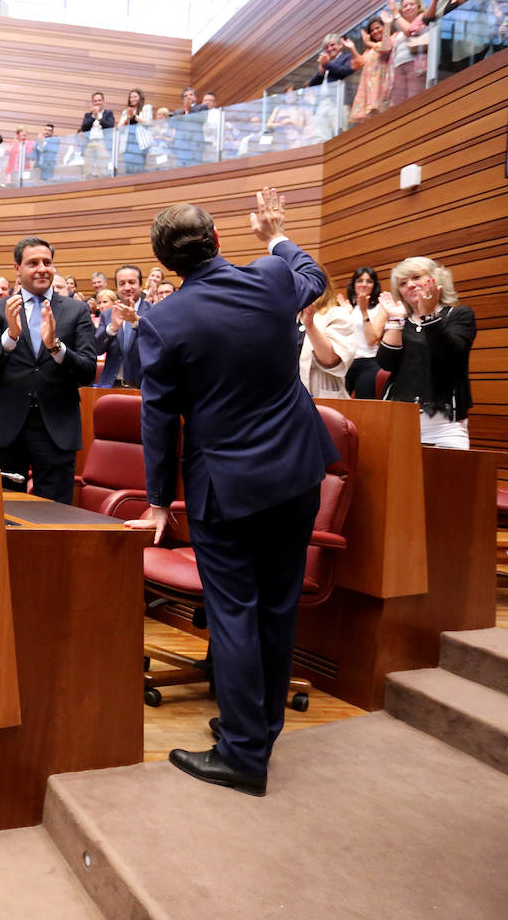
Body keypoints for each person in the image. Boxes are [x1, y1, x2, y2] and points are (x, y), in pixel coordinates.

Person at [125, 188, 338, 798]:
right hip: (298, 476)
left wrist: (159, 499)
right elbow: (311, 272)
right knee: (275, 608)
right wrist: (274, 233)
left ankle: (244, 754)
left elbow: (158, 419)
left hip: (228, 489)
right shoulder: (272, 279)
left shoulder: (163, 321)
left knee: (235, 615)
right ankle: (259, 728)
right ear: (218, 241)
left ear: (167, 266)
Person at [0, 237, 97, 503]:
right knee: (4, 513)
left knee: (54, 517)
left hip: (57, 426)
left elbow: (88, 370)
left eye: (47, 262)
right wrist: (10, 336)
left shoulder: (76, 311)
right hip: (7, 426)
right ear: (17, 268)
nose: (42, 268)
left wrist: (56, 348)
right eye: (33, 263)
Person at [377, 256, 476, 448]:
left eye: (416, 277)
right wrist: (396, 320)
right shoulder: (400, 322)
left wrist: (429, 316)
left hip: (446, 427)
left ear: (436, 279)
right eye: (403, 283)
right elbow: (387, 363)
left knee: (450, 478)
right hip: (399, 423)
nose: (411, 285)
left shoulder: (459, 315)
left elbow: (451, 354)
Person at [298, 270, 358, 399]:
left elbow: (331, 360)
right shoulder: (289, 318)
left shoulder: (337, 313)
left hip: (323, 395)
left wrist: (310, 325)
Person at [95, 264, 150, 388]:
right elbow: (97, 348)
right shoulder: (108, 314)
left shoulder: (153, 312)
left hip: (142, 386)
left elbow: (157, 345)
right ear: (117, 287)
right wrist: (112, 329)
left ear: (141, 285)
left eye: (132, 282)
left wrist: (136, 322)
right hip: (112, 384)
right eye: (122, 283)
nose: (127, 287)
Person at [344, 267, 385, 398]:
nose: (364, 284)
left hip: (369, 362)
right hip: (347, 362)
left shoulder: (380, 308)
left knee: (364, 408)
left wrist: (364, 311)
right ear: (354, 284)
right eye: (360, 281)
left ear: (374, 285)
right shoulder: (348, 307)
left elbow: (372, 339)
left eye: (369, 281)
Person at [386, 0, 431, 107]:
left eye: (411, 4)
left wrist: (395, 13)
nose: (408, 8)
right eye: (405, 6)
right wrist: (387, 25)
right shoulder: (398, 34)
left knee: (414, 99)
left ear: (418, 7)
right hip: (397, 68)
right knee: (397, 104)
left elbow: (410, 30)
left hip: (415, 65)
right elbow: (386, 47)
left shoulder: (422, 19)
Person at [346, 15, 394, 122]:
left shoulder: (390, 39)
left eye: (377, 27)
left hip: (381, 84)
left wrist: (387, 24)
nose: (375, 32)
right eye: (372, 30)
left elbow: (386, 47)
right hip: (369, 87)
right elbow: (359, 63)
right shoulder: (370, 50)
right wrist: (352, 48)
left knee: (383, 116)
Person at [118, 89, 152, 175]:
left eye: (135, 97)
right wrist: (128, 117)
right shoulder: (125, 112)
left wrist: (134, 116)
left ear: (140, 97)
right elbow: (119, 128)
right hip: (127, 144)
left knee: (139, 168)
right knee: (128, 170)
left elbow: (148, 122)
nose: (132, 99)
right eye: (131, 97)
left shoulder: (146, 108)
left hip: (140, 143)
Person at [79, 93, 114, 178]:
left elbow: (110, 126)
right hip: (89, 143)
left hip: (102, 142)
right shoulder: (88, 115)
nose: (97, 102)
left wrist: (99, 117)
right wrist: (93, 116)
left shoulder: (108, 113)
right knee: (88, 168)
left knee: (102, 168)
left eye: (99, 100)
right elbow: (84, 128)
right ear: (92, 103)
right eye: (95, 101)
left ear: (103, 102)